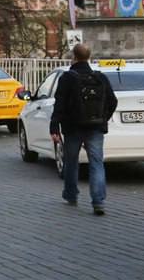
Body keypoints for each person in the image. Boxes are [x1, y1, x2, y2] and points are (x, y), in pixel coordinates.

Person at [50, 43, 118, 216]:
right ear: (89, 57)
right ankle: (98, 201)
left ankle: (71, 194)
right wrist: (103, 119)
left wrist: (54, 127)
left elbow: (60, 103)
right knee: (96, 163)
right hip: (95, 127)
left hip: (72, 127)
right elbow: (113, 101)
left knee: (71, 161)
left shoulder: (67, 77)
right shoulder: (100, 77)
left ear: (74, 56)